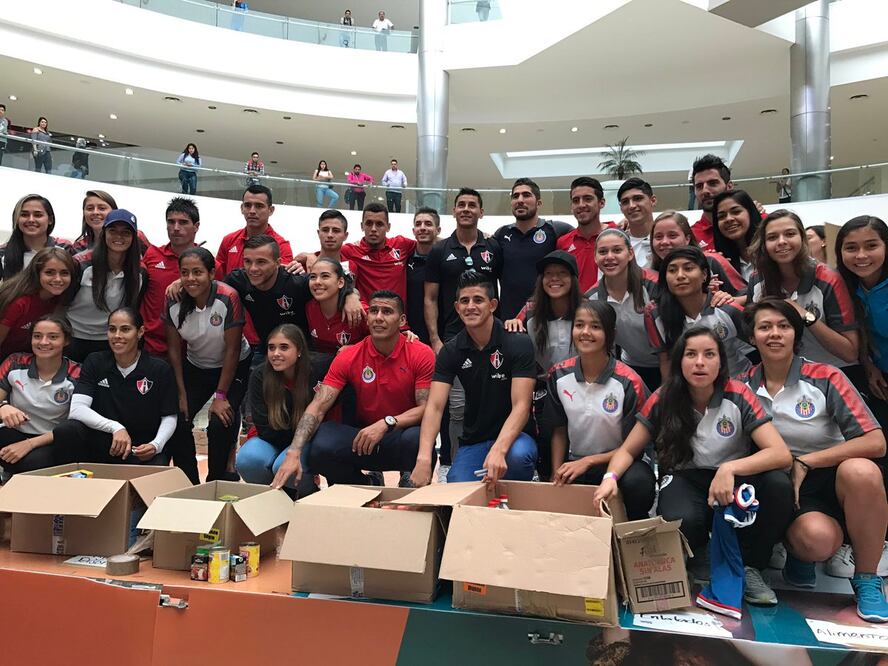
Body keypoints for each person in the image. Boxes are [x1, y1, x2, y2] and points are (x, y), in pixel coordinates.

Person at [594, 327, 794, 607]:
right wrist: (610, 478)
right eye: (691, 355)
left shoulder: (739, 395)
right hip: (686, 477)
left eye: (709, 354)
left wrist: (729, 469)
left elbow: (781, 454)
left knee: (778, 484)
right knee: (681, 518)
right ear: (679, 362)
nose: (700, 362)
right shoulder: (665, 397)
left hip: (734, 477)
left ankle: (751, 565)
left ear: (721, 363)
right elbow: (629, 449)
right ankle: (699, 551)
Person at [742, 299, 887, 621]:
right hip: (783, 485)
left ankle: (867, 578)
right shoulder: (742, 384)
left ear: (796, 334)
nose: (775, 334)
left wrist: (808, 461)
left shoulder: (826, 376)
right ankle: (799, 552)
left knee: (863, 471)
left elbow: (876, 442)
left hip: (834, 476)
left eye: (784, 326)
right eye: (765, 327)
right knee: (815, 541)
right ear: (752, 337)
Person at [272, 291, 435, 489]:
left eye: (387, 312)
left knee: (417, 438)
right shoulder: (349, 355)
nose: (378, 317)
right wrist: (294, 452)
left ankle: (413, 486)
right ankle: (364, 485)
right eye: (374, 311)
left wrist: (386, 423)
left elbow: (427, 408)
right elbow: (318, 406)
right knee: (321, 443)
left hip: (399, 433)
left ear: (401, 321)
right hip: (362, 437)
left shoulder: (421, 353)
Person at [413, 270, 537, 485]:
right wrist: (423, 458)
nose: (470, 306)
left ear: (493, 305)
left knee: (518, 458)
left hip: (516, 438)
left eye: (478, 300)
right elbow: (434, 406)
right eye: (464, 301)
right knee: (456, 487)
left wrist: (499, 450)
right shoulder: (451, 351)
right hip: (474, 440)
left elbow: (521, 406)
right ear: (457, 308)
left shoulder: (518, 342)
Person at [548, 300, 655, 520]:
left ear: (610, 334)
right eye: (579, 325)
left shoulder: (629, 382)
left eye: (595, 326)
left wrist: (588, 462)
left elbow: (632, 447)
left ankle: (635, 532)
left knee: (639, 483)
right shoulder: (558, 375)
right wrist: (556, 471)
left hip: (621, 463)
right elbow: (559, 429)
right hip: (575, 462)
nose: (585, 332)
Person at [165, 247, 252, 483]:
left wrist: (221, 395)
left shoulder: (228, 297)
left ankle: (216, 480)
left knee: (219, 422)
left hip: (233, 366)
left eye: (197, 272)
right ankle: (189, 482)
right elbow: (174, 350)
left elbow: (232, 350)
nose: (191, 278)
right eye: (185, 272)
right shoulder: (173, 300)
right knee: (178, 420)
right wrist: (181, 393)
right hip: (197, 366)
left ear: (212, 273)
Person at [54, 308, 176, 466]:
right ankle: (70, 485)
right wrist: (115, 428)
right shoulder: (95, 361)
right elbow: (77, 410)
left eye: (125, 329)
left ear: (140, 332)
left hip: (139, 449)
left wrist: (156, 445)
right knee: (66, 430)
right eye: (112, 329)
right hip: (101, 445)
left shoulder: (159, 369)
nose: (117, 336)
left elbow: (169, 416)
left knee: (158, 465)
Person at [747, 210, 858, 368]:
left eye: (790, 234)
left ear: (802, 238)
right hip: (786, 374)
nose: (781, 241)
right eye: (772, 237)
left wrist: (805, 316)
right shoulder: (757, 280)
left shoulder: (828, 279)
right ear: (763, 244)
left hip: (837, 372)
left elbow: (850, 352)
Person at [517, 250, 582, 480]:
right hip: (545, 389)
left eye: (562, 273)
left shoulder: (586, 312)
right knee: (546, 440)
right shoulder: (531, 314)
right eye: (548, 274)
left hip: (583, 386)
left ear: (574, 278)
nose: (555, 279)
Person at [646, 246, 752, 378]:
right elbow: (666, 361)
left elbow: (760, 344)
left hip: (737, 380)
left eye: (688, 268)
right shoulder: (655, 314)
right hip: (692, 389)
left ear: (704, 275)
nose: (680, 276)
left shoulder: (726, 308)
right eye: (672, 270)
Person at [236, 324, 316, 495]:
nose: (276, 353)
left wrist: (293, 449)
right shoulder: (260, 375)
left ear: (299, 350)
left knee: (283, 465)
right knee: (247, 460)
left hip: (305, 441)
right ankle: (277, 498)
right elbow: (264, 428)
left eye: (284, 347)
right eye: (271, 348)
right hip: (271, 439)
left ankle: (309, 494)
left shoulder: (315, 371)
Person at [0, 314, 79, 475]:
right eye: (37, 336)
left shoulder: (77, 373)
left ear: (66, 340)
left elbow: (76, 427)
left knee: (32, 463)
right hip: (13, 433)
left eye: (53, 337)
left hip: (50, 439)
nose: (43, 342)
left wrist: (28, 444)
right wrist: (3, 406)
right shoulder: (14, 362)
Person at [425, 188, 503, 351]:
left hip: (491, 334)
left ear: (481, 213)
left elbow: (506, 287)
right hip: (452, 335)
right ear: (454, 212)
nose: (466, 209)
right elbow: (430, 299)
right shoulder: (439, 250)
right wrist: (435, 339)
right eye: (461, 205)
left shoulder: (494, 246)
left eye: (472, 205)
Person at [586, 229, 661, 390]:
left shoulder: (655, 284)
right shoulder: (592, 299)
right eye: (603, 252)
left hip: (669, 364)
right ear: (595, 257)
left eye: (617, 250)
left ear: (630, 253)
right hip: (632, 366)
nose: (610, 257)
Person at [67, 209, 145, 362]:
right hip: (73, 337)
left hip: (109, 341)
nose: (119, 237)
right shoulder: (81, 265)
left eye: (126, 233)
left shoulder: (139, 272)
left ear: (133, 238)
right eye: (113, 231)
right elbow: (60, 302)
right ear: (104, 234)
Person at [494, 178, 573, 320]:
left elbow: (587, 232)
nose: (520, 200)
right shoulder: (501, 234)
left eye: (526, 195)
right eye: (515, 196)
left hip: (545, 318)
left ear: (539, 203)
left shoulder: (556, 229)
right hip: (508, 319)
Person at [836, 216, 888, 410]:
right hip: (879, 374)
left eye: (871, 246)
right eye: (851, 248)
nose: (861, 255)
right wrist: (868, 365)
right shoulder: (843, 286)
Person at [141, 198, 204, 357]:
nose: (176, 228)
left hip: (191, 350)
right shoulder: (152, 254)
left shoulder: (208, 264)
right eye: (171, 222)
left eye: (183, 222)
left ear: (196, 227)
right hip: (150, 345)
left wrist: (185, 279)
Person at [649, 210, 747, 302]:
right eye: (658, 237)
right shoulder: (650, 276)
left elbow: (749, 295)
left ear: (687, 239)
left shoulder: (711, 261)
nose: (664, 242)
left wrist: (725, 299)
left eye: (672, 235)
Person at [0, 247, 76, 358]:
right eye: (50, 272)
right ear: (37, 273)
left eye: (64, 273)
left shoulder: (60, 298)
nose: (58, 279)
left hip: (28, 363)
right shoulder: (18, 302)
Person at [339, 202, 416, 307]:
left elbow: (431, 244)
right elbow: (324, 256)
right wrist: (308, 255)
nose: (374, 229)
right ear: (362, 226)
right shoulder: (349, 251)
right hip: (367, 319)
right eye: (369, 223)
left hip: (398, 321)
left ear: (388, 227)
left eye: (379, 224)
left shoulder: (402, 244)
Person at [215, 185, 293, 278]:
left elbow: (283, 282)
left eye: (259, 206)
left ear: (271, 210)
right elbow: (218, 278)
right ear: (242, 208)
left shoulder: (282, 246)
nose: (252, 211)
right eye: (247, 205)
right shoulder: (229, 240)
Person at [557, 176, 614, 292]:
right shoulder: (563, 243)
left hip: (611, 308)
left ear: (601, 203)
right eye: (576, 200)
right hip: (575, 308)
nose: (581, 205)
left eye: (588, 199)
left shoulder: (618, 235)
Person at [0, 195, 73, 281]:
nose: (31, 220)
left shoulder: (65, 248)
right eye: (24, 215)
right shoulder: (3, 253)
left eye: (38, 215)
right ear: (16, 219)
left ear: (50, 220)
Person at [305, 257, 368, 354]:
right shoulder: (309, 307)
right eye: (313, 277)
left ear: (340, 282)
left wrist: (356, 348)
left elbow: (389, 338)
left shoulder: (359, 309)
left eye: (325, 276)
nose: (317, 282)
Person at [406, 208, 441, 345]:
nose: (422, 228)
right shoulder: (404, 257)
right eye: (418, 224)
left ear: (438, 230)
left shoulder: (446, 258)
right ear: (413, 231)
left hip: (443, 334)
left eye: (428, 224)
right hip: (411, 334)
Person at [712, 190, 762, 283]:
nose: (728, 219)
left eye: (736, 212)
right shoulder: (721, 263)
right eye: (722, 216)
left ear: (751, 213)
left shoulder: (771, 253)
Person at [690, 153, 733, 250]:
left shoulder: (755, 222)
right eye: (699, 186)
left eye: (713, 183)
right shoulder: (690, 236)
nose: (705, 191)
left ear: (729, 186)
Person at [617, 177, 657, 269]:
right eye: (625, 202)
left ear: (653, 200)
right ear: (621, 208)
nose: (632, 206)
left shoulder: (670, 238)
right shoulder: (616, 244)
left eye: (638, 198)